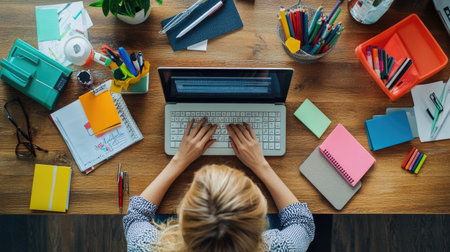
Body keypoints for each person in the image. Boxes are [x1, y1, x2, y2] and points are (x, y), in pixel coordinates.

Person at [123, 118, 315, 251]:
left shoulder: (146, 246)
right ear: (259, 225)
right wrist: (260, 165)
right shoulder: (281, 247)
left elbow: (136, 216)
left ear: (184, 215)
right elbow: (302, 223)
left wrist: (179, 160)